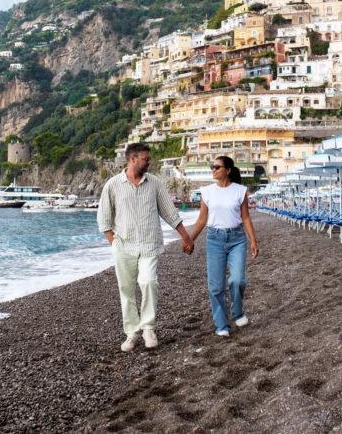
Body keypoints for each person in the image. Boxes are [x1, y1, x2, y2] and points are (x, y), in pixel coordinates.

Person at [97, 142, 194, 352]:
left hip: (150, 243)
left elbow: (169, 213)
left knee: (149, 281)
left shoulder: (156, 184)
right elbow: (104, 219)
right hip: (123, 245)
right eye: (146, 159)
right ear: (133, 159)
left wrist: (186, 237)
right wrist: (114, 245)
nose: (149, 162)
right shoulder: (113, 185)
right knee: (127, 290)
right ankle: (132, 333)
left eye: (149, 159)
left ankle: (148, 327)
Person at [190, 156, 259, 337]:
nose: (213, 169)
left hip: (237, 238)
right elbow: (202, 219)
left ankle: (237, 312)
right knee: (216, 286)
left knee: (237, 280)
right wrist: (190, 240)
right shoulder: (207, 192)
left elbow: (245, 217)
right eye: (212, 167)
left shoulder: (240, 191)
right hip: (214, 240)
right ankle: (222, 325)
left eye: (217, 167)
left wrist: (253, 240)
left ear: (228, 170)